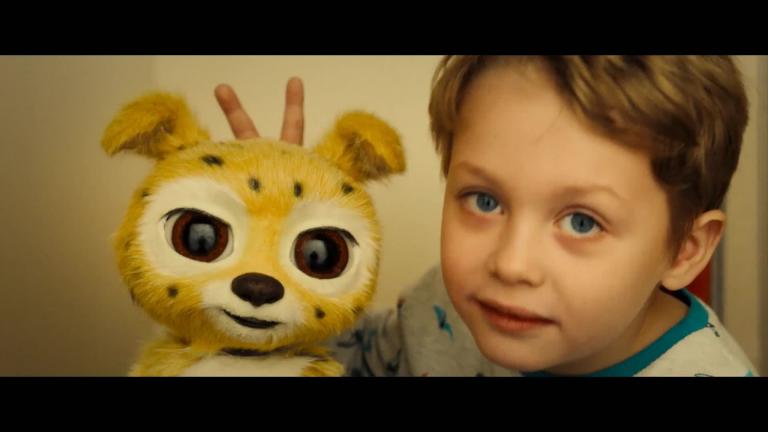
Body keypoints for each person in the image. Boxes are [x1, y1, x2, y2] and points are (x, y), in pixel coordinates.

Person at [214, 56, 757, 377]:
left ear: (685, 250)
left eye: (582, 222)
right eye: (485, 201)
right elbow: (357, 360)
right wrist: (279, 255)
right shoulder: (452, 304)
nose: (510, 264)